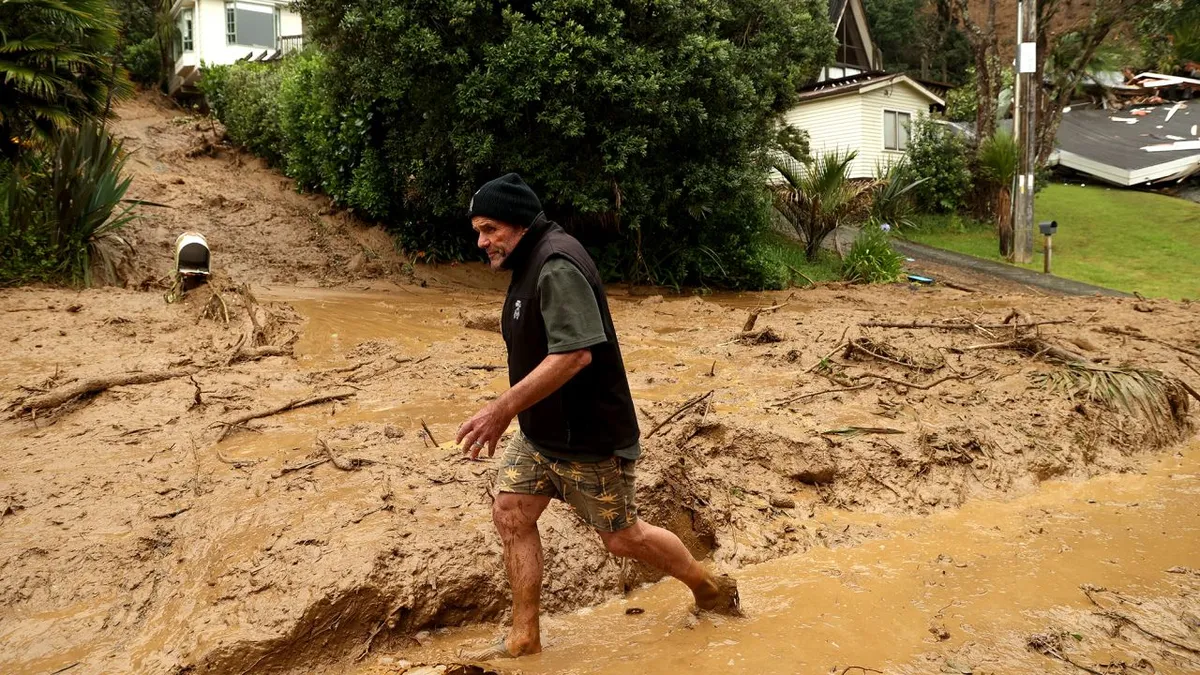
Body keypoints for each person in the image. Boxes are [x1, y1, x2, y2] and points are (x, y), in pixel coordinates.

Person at [455, 173, 740, 660]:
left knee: (623, 538)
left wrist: (500, 409)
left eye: (490, 229)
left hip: (587, 434)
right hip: (540, 430)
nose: (481, 242)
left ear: (520, 223)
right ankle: (525, 636)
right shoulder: (527, 260)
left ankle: (708, 584)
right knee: (510, 513)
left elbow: (575, 356)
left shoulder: (556, 264)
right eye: (478, 231)